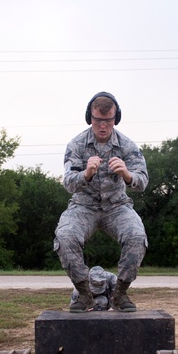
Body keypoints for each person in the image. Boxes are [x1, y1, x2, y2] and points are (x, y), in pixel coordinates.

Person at [55, 92, 148, 312]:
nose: (103, 126)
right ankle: (85, 294)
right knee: (65, 237)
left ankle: (120, 294)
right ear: (90, 118)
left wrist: (127, 174)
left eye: (108, 120)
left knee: (137, 236)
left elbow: (142, 180)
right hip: (83, 205)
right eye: (98, 120)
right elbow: (68, 182)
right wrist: (86, 173)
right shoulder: (77, 144)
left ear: (116, 119)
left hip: (117, 206)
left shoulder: (127, 145)